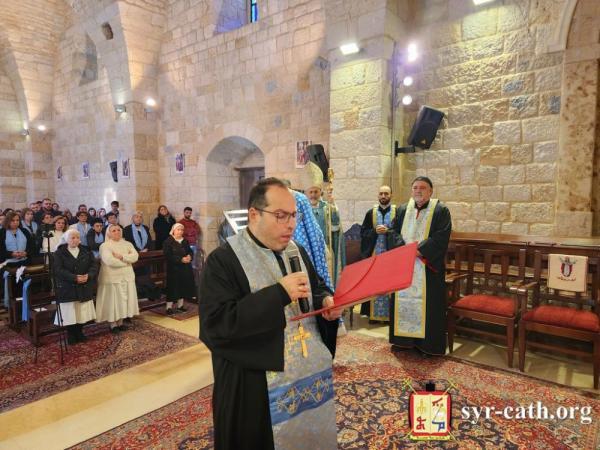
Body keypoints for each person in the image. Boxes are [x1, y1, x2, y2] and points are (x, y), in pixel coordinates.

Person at [199, 177, 341, 450]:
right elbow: (216, 326)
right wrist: (278, 294)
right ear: (254, 214)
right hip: (255, 386)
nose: (291, 224)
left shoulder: (296, 251)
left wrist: (326, 302)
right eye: (280, 215)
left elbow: (316, 287)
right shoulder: (223, 260)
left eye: (294, 215)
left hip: (305, 374)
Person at [390, 176, 452, 356]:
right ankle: (403, 342)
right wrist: (403, 249)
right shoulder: (402, 209)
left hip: (427, 268)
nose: (418, 191)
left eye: (422, 188)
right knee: (403, 301)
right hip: (404, 265)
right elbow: (392, 232)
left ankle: (427, 346)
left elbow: (441, 236)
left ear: (431, 191)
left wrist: (419, 251)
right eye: (415, 187)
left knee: (429, 306)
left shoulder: (440, 210)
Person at [300, 162, 346, 288]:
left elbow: (335, 228)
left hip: (325, 249)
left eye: (316, 191)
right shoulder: (301, 210)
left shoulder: (327, 208)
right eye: (310, 192)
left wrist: (333, 208)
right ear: (305, 193)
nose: (313, 195)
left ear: (320, 192)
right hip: (308, 250)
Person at [53, 229, 98, 344]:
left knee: (81, 311)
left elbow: (94, 266)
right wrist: (74, 277)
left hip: (84, 285)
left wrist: (89, 276)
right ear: (66, 239)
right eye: (72, 238)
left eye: (77, 237)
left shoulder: (86, 251)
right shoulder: (59, 253)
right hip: (68, 286)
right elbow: (58, 270)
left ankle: (79, 332)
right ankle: (71, 334)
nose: (75, 240)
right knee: (70, 313)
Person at [359, 185, 397, 322]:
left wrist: (389, 232)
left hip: (391, 256)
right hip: (374, 254)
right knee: (374, 282)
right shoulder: (371, 213)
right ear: (378, 195)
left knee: (389, 283)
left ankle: (390, 316)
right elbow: (363, 233)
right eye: (381, 193)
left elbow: (401, 233)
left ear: (391, 195)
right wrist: (374, 231)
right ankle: (374, 316)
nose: (383, 196)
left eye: (386, 193)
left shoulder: (398, 212)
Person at [95, 224, 139, 333]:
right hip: (111, 277)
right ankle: (113, 324)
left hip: (127, 276)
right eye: (113, 230)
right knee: (112, 301)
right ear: (109, 233)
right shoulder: (105, 246)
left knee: (123, 300)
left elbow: (135, 256)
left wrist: (122, 257)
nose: (117, 232)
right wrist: (127, 262)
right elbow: (110, 261)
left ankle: (120, 322)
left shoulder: (128, 244)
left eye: (118, 230)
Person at [163, 223, 195, 315]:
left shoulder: (184, 241)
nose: (180, 231)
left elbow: (190, 251)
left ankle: (180, 306)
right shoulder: (168, 241)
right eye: (178, 230)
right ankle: (169, 307)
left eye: (182, 230)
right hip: (174, 268)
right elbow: (168, 255)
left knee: (183, 286)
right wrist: (180, 259)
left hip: (185, 268)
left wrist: (189, 256)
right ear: (173, 230)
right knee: (172, 287)